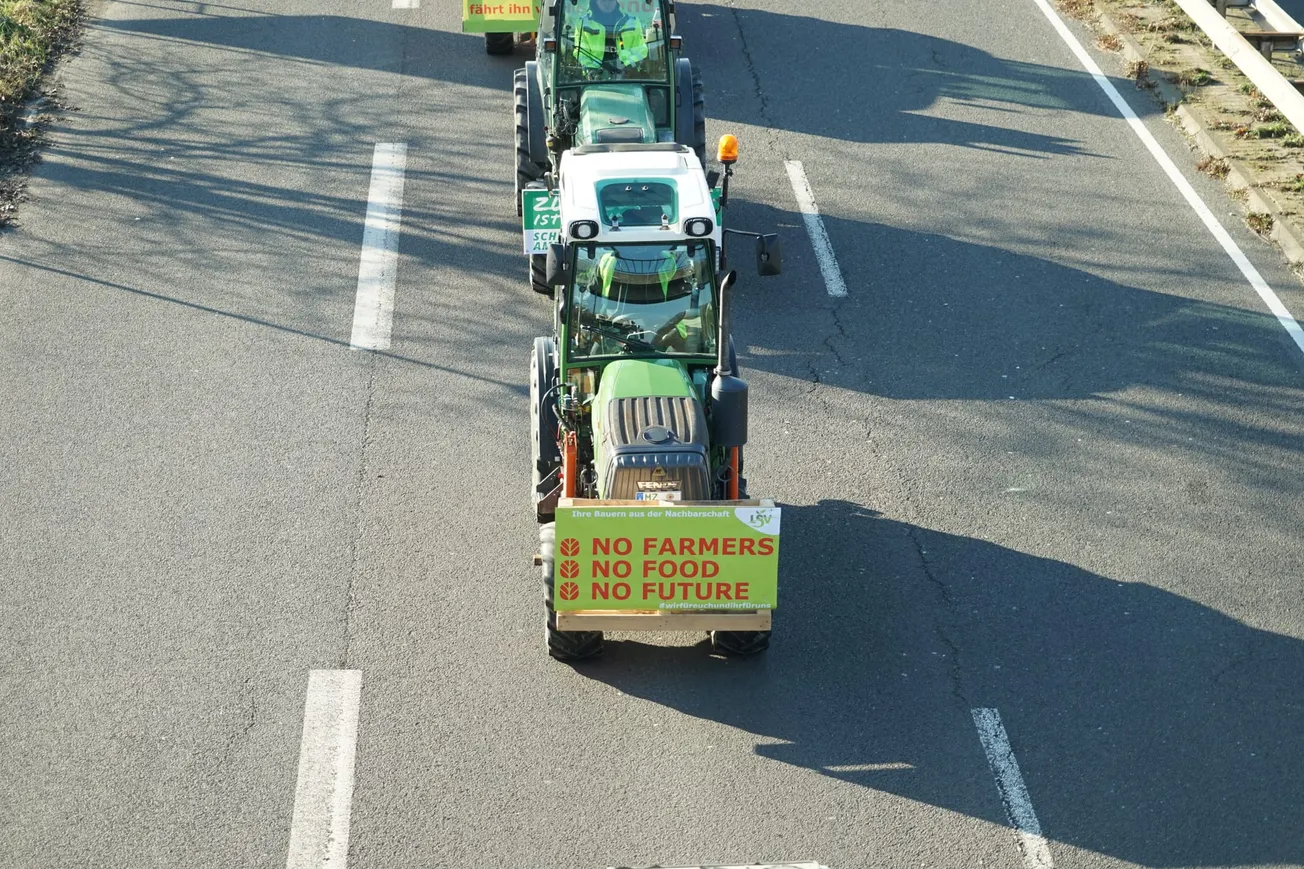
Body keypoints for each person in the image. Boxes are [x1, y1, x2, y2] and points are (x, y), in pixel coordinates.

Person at [572, 0, 650, 74]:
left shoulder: (632, 22)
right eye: (603, 0)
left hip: (626, 75)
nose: (607, 3)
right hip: (595, 76)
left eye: (611, 0)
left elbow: (640, 50)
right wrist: (591, 70)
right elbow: (580, 52)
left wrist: (629, 66)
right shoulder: (583, 23)